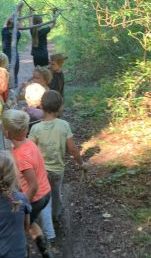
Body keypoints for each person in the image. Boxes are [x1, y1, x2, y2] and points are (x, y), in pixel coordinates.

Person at [29, 90, 87, 223]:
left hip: (41, 170)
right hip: (57, 170)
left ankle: (43, 217)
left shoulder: (35, 129)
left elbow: (30, 150)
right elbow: (72, 149)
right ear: (60, 107)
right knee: (55, 193)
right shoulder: (64, 125)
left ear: (41, 106)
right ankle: (56, 214)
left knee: (42, 194)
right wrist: (81, 163)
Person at [1, 109, 54, 258]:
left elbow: (33, 185)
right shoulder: (29, 143)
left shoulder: (21, 155)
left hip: (36, 197)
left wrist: (23, 206)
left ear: (6, 133)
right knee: (30, 223)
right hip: (45, 194)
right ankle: (45, 251)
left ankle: (23, 253)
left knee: (18, 227)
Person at [2, 15, 22, 87]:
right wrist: (20, 14)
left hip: (5, 58)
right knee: (15, 75)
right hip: (15, 58)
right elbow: (20, 27)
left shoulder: (4, 31)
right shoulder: (18, 34)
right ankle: (14, 87)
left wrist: (10, 15)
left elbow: (4, 24)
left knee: (5, 76)